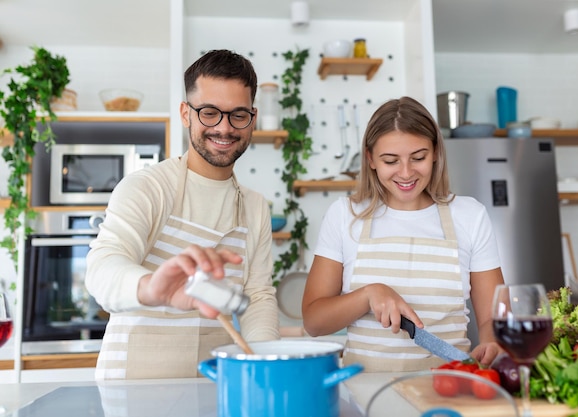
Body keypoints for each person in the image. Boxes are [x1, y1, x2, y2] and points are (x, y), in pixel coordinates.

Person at [86, 49, 279, 380]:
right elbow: (103, 268)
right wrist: (150, 288)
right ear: (185, 113)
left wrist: (265, 365)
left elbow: (258, 297)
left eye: (238, 115)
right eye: (209, 112)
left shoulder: (255, 206)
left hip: (214, 384)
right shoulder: (147, 188)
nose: (224, 128)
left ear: (253, 118)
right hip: (133, 388)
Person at [301, 96, 504, 372]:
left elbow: (495, 320)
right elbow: (314, 322)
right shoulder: (345, 215)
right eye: (390, 160)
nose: (406, 173)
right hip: (365, 394)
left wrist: (494, 343)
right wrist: (368, 295)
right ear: (371, 158)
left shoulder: (469, 215)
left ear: (435, 154)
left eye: (418, 158)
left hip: (448, 387)